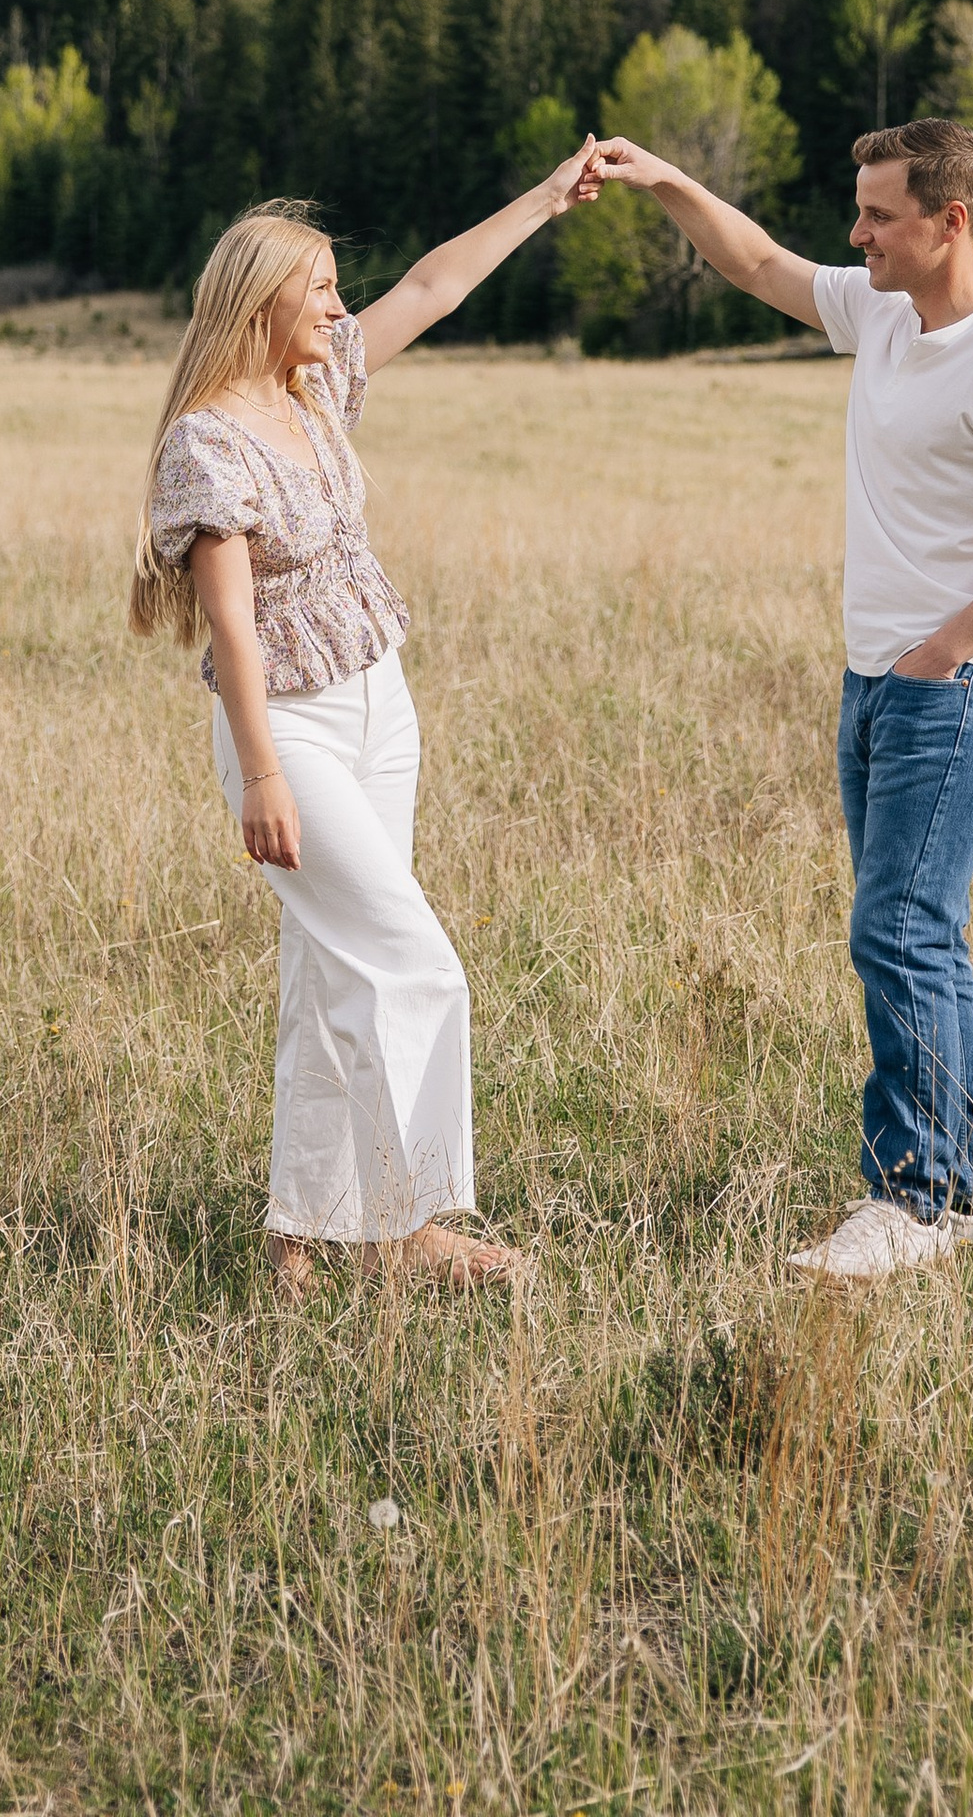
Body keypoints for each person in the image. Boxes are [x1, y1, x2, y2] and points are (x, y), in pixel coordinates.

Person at [592, 113, 973, 1280]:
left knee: (897, 928)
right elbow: (759, 262)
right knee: (921, 932)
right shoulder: (885, 313)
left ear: (949, 223)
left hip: (957, 689)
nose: (854, 233)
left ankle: (914, 1202)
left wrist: (939, 652)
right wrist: (662, 177)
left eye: (878, 215)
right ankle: (967, 1192)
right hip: (880, 681)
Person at [130, 152, 597, 1294]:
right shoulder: (209, 441)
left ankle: (302, 1230)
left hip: (379, 702)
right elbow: (230, 628)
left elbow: (433, 290)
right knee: (417, 965)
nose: (341, 309)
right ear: (261, 306)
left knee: (330, 970)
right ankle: (406, 1227)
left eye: (339, 291)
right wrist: (260, 777)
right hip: (287, 730)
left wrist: (543, 198)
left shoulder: (313, 391)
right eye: (322, 291)